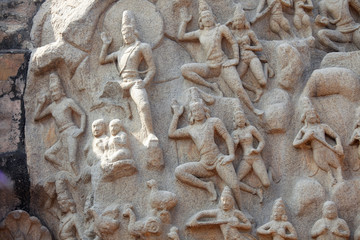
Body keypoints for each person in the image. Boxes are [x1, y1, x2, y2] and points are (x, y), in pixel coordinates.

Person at [177, 0, 263, 116]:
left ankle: (253, 109)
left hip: (223, 64)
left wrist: (236, 59)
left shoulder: (221, 29)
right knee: (184, 69)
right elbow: (181, 36)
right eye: (204, 17)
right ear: (201, 20)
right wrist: (184, 21)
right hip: (209, 66)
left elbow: (233, 42)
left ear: (213, 17)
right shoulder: (199, 33)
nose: (207, 18)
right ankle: (211, 86)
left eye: (209, 16)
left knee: (238, 89)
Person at [168, 97, 242, 209]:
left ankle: (242, 209)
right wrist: (176, 115)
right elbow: (172, 133)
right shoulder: (190, 129)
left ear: (204, 110)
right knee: (179, 171)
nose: (197, 113)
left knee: (234, 185)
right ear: (191, 114)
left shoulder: (213, 122)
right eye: (194, 111)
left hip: (219, 160)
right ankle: (207, 185)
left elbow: (226, 136)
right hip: (204, 165)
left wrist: (231, 155)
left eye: (199, 110)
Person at [99, 10, 158, 147]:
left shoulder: (142, 47)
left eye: (128, 33)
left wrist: (144, 82)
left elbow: (152, 69)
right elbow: (102, 60)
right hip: (121, 83)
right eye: (123, 34)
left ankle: (150, 133)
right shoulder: (120, 51)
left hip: (134, 81)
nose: (126, 36)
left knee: (143, 104)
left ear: (134, 33)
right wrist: (105, 44)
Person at [34, 73, 86, 175]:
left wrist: (81, 129)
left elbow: (82, 114)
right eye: (52, 92)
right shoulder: (52, 107)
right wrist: (41, 104)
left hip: (71, 132)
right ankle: (66, 168)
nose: (53, 94)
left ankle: (79, 179)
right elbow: (37, 117)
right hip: (62, 136)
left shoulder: (68, 102)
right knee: (48, 154)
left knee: (72, 161)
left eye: (55, 90)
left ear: (61, 90)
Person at [293, 99, 344, 186]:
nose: (312, 115)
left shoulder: (322, 127)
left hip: (327, 148)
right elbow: (295, 143)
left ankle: (340, 177)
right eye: (309, 114)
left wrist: (338, 144)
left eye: (313, 114)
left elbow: (335, 135)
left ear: (317, 116)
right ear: (305, 117)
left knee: (337, 165)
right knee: (324, 167)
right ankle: (331, 178)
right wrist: (306, 139)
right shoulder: (304, 130)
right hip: (317, 151)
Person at [227, 4, 267, 102]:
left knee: (263, 82)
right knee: (236, 80)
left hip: (251, 57)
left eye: (240, 20)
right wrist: (228, 22)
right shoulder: (232, 33)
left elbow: (259, 47)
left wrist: (249, 47)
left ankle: (266, 67)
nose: (238, 22)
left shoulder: (249, 32)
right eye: (236, 20)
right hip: (242, 60)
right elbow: (221, 30)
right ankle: (255, 90)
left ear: (243, 21)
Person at [186, 186, 253, 240]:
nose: (225, 203)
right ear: (220, 202)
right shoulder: (218, 212)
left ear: (232, 202)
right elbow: (203, 213)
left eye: (228, 201)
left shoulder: (236, 213)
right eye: (223, 200)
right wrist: (194, 219)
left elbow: (248, 225)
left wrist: (238, 225)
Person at [232, 110, 270, 202]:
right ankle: (255, 191)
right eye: (238, 118)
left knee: (266, 184)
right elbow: (232, 151)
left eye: (242, 118)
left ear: (245, 119)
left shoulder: (251, 129)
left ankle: (270, 172)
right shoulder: (234, 133)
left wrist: (257, 150)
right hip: (245, 159)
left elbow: (262, 141)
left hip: (256, 157)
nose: (240, 120)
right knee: (235, 182)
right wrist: (235, 144)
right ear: (235, 121)